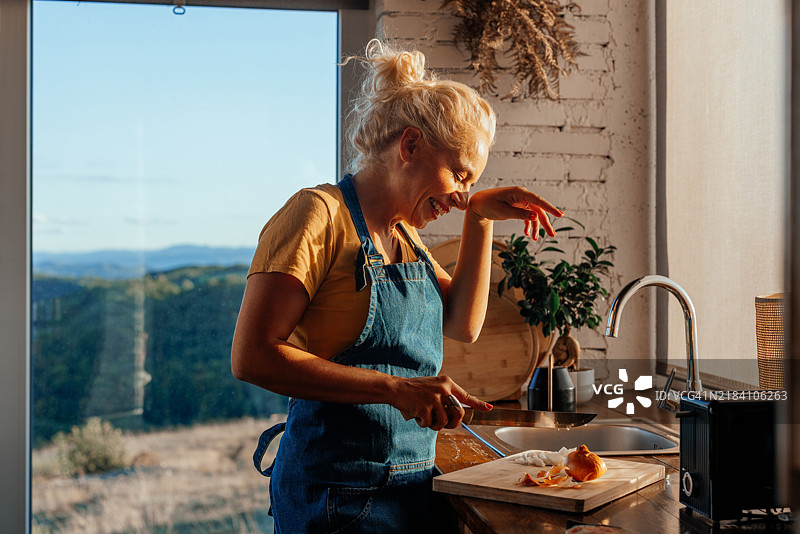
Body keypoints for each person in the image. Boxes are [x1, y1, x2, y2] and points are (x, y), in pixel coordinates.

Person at [230, 39, 563, 533]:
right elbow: (253, 356)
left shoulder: (403, 235)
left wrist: (481, 217)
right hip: (336, 497)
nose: (459, 194)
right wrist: (395, 388)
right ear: (410, 146)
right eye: (459, 173)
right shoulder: (317, 215)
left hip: (411, 489)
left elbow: (463, 324)